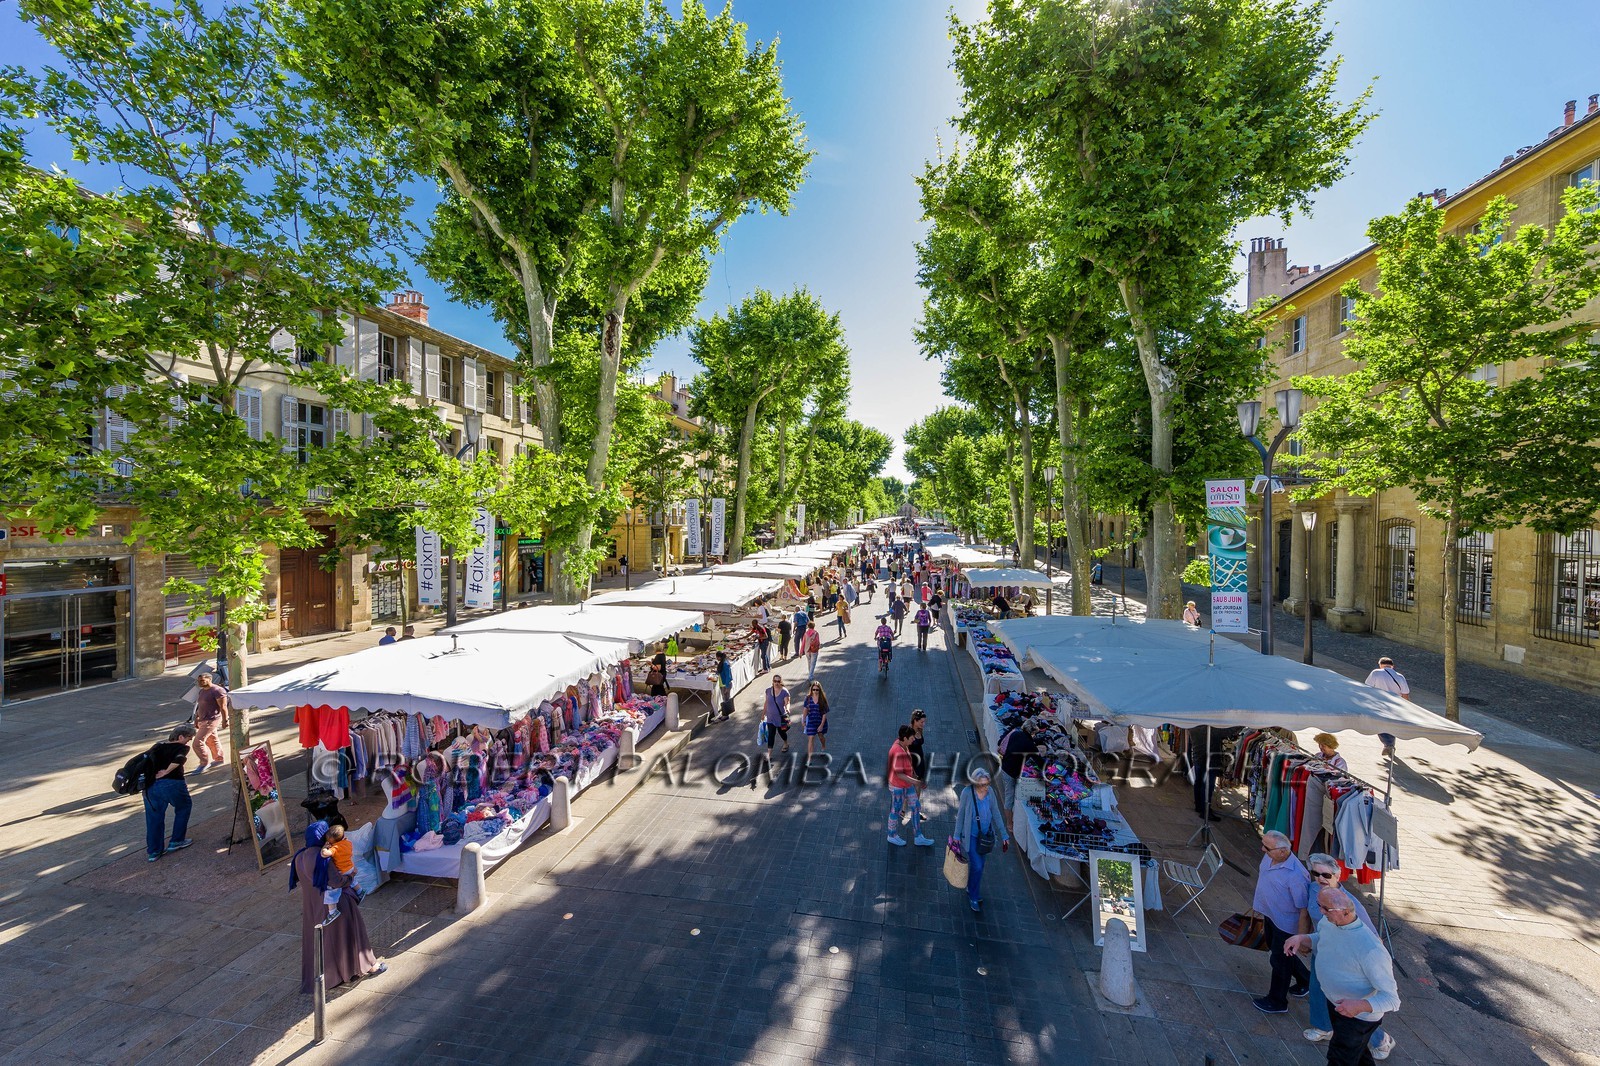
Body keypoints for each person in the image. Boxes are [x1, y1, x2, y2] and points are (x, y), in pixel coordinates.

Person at [1285, 887, 1400, 1066]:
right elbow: (1321, 938)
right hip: (1338, 1006)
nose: (1320, 912)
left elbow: (1392, 999)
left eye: (1326, 908)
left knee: (1339, 1058)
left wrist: (1358, 1005)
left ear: (1346, 912)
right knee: (1358, 1053)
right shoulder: (1329, 921)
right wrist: (1302, 938)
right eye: (1319, 906)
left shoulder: (1371, 950)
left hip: (1357, 1017)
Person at [291, 821, 385, 994]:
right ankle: (367, 966)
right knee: (351, 935)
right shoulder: (323, 858)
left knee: (323, 943)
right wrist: (351, 878)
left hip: (313, 908)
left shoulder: (299, 857)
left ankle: (330, 976)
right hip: (337, 904)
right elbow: (337, 881)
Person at [1252, 830, 1313, 1014]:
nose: (1263, 850)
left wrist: (1302, 939)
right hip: (1271, 916)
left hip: (1286, 926)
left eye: (1267, 848)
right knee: (1278, 952)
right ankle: (1305, 980)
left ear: (1283, 851)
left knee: (1279, 961)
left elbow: (1304, 910)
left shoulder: (1297, 876)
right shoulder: (1271, 857)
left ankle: (1277, 1001)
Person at [954, 768, 1009, 911]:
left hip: (985, 837)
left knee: (979, 866)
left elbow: (996, 813)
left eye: (987, 784)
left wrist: (1004, 834)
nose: (985, 787)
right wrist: (956, 836)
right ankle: (973, 896)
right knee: (977, 866)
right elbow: (960, 816)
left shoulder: (991, 792)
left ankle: (971, 887)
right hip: (971, 836)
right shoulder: (967, 793)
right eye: (982, 784)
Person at [143, 724, 196, 861]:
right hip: (172, 783)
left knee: (154, 818)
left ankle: (154, 851)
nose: (188, 741)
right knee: (184, 807)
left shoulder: (157, 746)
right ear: (180, 737)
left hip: (150, 786)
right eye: (188, 738)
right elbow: (179, 759)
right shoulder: (181, 747)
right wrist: (166, 771)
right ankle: (177, 840)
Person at [886, 725, 931, 847]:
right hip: (898, 787)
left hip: (907, 784)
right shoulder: (897, 751)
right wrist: (916, 782)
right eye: (911, 738)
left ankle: (918, 836)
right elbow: (899, 774)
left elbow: (908, 766)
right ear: (904, 738)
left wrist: (916, 776)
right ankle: (892, 835)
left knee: (916, 807)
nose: (913, 740)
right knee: (895, 811)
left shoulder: (903, 745)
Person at [191, 672, 230, 772]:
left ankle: (204, 763)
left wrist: (225, 720)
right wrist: (196, 718)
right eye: (198, 681)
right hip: (202, 719)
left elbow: (223, 707)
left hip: (212, 720)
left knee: (197, 743)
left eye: (202, 680)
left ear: (209, 679)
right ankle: (218, 758)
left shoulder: (217, 690)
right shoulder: (202, 691)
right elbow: (200, 705)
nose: (199, 683)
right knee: (212, 739)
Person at [320, 823, 356, 923]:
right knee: (353, 880)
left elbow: (324, 854)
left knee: (331, 889)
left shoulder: (335, 848)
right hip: (350, 867)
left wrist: (324, 847)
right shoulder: (348, 843)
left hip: (342, 870)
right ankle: (360, 890)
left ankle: (332, 911)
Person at [997, 719, 1039, 797]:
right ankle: (1007, 809)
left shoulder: (1015, 733)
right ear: (1032, 732)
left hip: (1004, 764)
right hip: (1011, 772)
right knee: (1009, 795)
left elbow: (1001, 742)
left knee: (1007, 788)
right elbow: (1039, 761)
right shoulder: (1030, 744)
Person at [761, 676, 791, 754]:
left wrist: (787, 709)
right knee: (771, 734)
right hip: (770, 717)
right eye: (775, 681)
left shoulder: (784, 691)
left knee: (782, 732)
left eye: (778, 681)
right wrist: (763, 714)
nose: (776, 683)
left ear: (781, 682)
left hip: (780, 718)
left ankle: (786, 743)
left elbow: (787, 703)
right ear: (773, 681)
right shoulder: (768, 691)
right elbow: (766, 702)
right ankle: (769, 755)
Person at [803, 681, 829, 756]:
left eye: (817, 690)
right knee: (810, 739)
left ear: (820, 690)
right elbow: (805, 710)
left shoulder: (822, 699)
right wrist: (803, 721)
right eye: (813, 689)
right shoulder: (808, 698)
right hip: (811, 722)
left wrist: (821, 725)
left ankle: (823, 746)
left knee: (821, 737)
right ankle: (809, 759)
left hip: (820, 722)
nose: (815, 691)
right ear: (811, 690)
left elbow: (824, 714)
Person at [716, 651, 735, 722]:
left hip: (725, 685)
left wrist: (727, 687)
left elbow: (728, 676)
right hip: (722, 684)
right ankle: (724, 713)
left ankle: (726, 715)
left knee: (726, 699)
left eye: (717, 657)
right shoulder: (723, 662)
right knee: (724, 698)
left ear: (719, 657)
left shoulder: (725, 664)